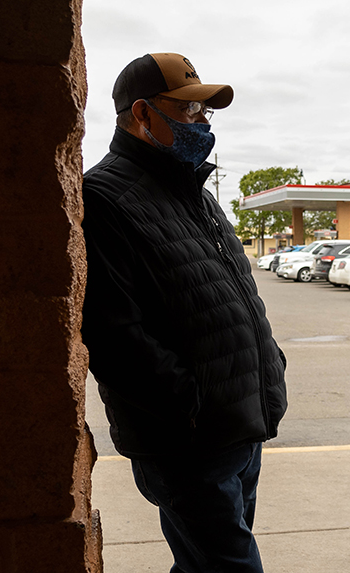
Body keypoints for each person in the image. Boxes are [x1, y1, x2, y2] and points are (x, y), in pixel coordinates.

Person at [80, 53, 287, 572]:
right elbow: (113, 334)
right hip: (191, 440)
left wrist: (270, 366)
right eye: (189, 110)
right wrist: (189, 405)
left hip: (238, 425)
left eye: (205, 113)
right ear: (144, 115)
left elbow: (236, 293)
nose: (202, 123)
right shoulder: (104, 197)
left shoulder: (194, 191)